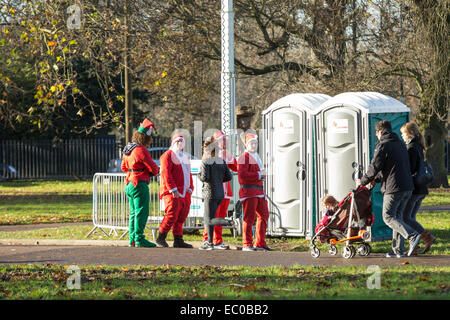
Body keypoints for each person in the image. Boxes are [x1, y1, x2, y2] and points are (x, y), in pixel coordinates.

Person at [357, 120, 421, 258]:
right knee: (397, 217)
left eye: (376, 133)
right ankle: (397, 250)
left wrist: (363, 181)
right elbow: (390, 167)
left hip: (394, 188)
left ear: (380, 132)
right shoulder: (400, 144)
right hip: (407, 187)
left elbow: (375, 167)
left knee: (388, 217)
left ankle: (412, 235)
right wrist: (376, 179)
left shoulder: (383, 145)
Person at [121, 118, 160, 248]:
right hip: (139, 183)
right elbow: (154, 168)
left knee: (133, 213)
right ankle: (139, 239)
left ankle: (132, 239)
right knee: (141, 212)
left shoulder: (128, 148)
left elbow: (123, 167)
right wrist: (150, 172)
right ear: (146, 138)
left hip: (129, 183)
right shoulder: (141, 150)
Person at [400, 121, 436, 254]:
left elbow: (409, 168)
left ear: (411, 134)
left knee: (404, 217)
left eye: (403, 133)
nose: (402, 136)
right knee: (411, 217)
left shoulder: (411, 148)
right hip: (422, 188)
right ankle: (414, 246)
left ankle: (427, 237)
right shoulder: (419, 146)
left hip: (414, 188)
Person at [201, 130, 237, 250]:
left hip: (225, 192)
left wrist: (231, 157)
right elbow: (204, 171)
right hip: (212, 191)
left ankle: (218, 240)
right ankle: (207, 239)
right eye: (222, 139)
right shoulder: (209, 154)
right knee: (210, 217)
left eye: (225, 139)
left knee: (220, 216)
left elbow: (236, 167)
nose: (225, 141)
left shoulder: (226, 154)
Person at [156, 133, 194, 248]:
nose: (180, 144)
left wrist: (191, 187)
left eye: (182, 142)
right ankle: (161, 237)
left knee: (182, 215)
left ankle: (178, 239)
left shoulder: (185, 157)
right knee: (171, 214)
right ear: (173, 143)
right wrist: (173, 189)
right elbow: (166, 174)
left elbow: (188, 174)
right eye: (178, 141)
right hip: (172, 192)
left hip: (185, 192)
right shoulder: (167, 155)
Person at [237, 132, 271, 251]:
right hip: (249, 191)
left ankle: (260, 242)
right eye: (251, 143)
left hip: (259, 192)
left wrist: (262, 176)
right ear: (246, 145)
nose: (254, 145)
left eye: (255, 143)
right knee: (249, 217)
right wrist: (258, 175)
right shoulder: (243, 157)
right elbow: (242, 176)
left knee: (264, 215)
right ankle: (247, 243)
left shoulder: (257, 157)